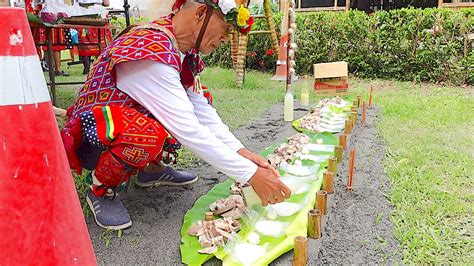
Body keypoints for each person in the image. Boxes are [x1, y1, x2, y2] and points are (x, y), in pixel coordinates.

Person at [61, 0, 291, 230]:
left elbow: (200, 109)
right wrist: (250, 175)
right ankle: (101, 189)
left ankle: (151, 170)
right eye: (225, 29)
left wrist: (241, 152)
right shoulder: (151, 49)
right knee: (147, 132)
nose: (224, 39)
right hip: (91, 136)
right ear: (201, 13)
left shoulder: (181, 49)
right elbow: (188, 128)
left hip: (118, 122)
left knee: (198, 99)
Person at [76, 0, 112, 74]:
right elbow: (106, 3)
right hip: (98, 12)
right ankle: (100, 66)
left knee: (85, 39)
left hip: (82, 12)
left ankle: (86, 67)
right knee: (100, 40)